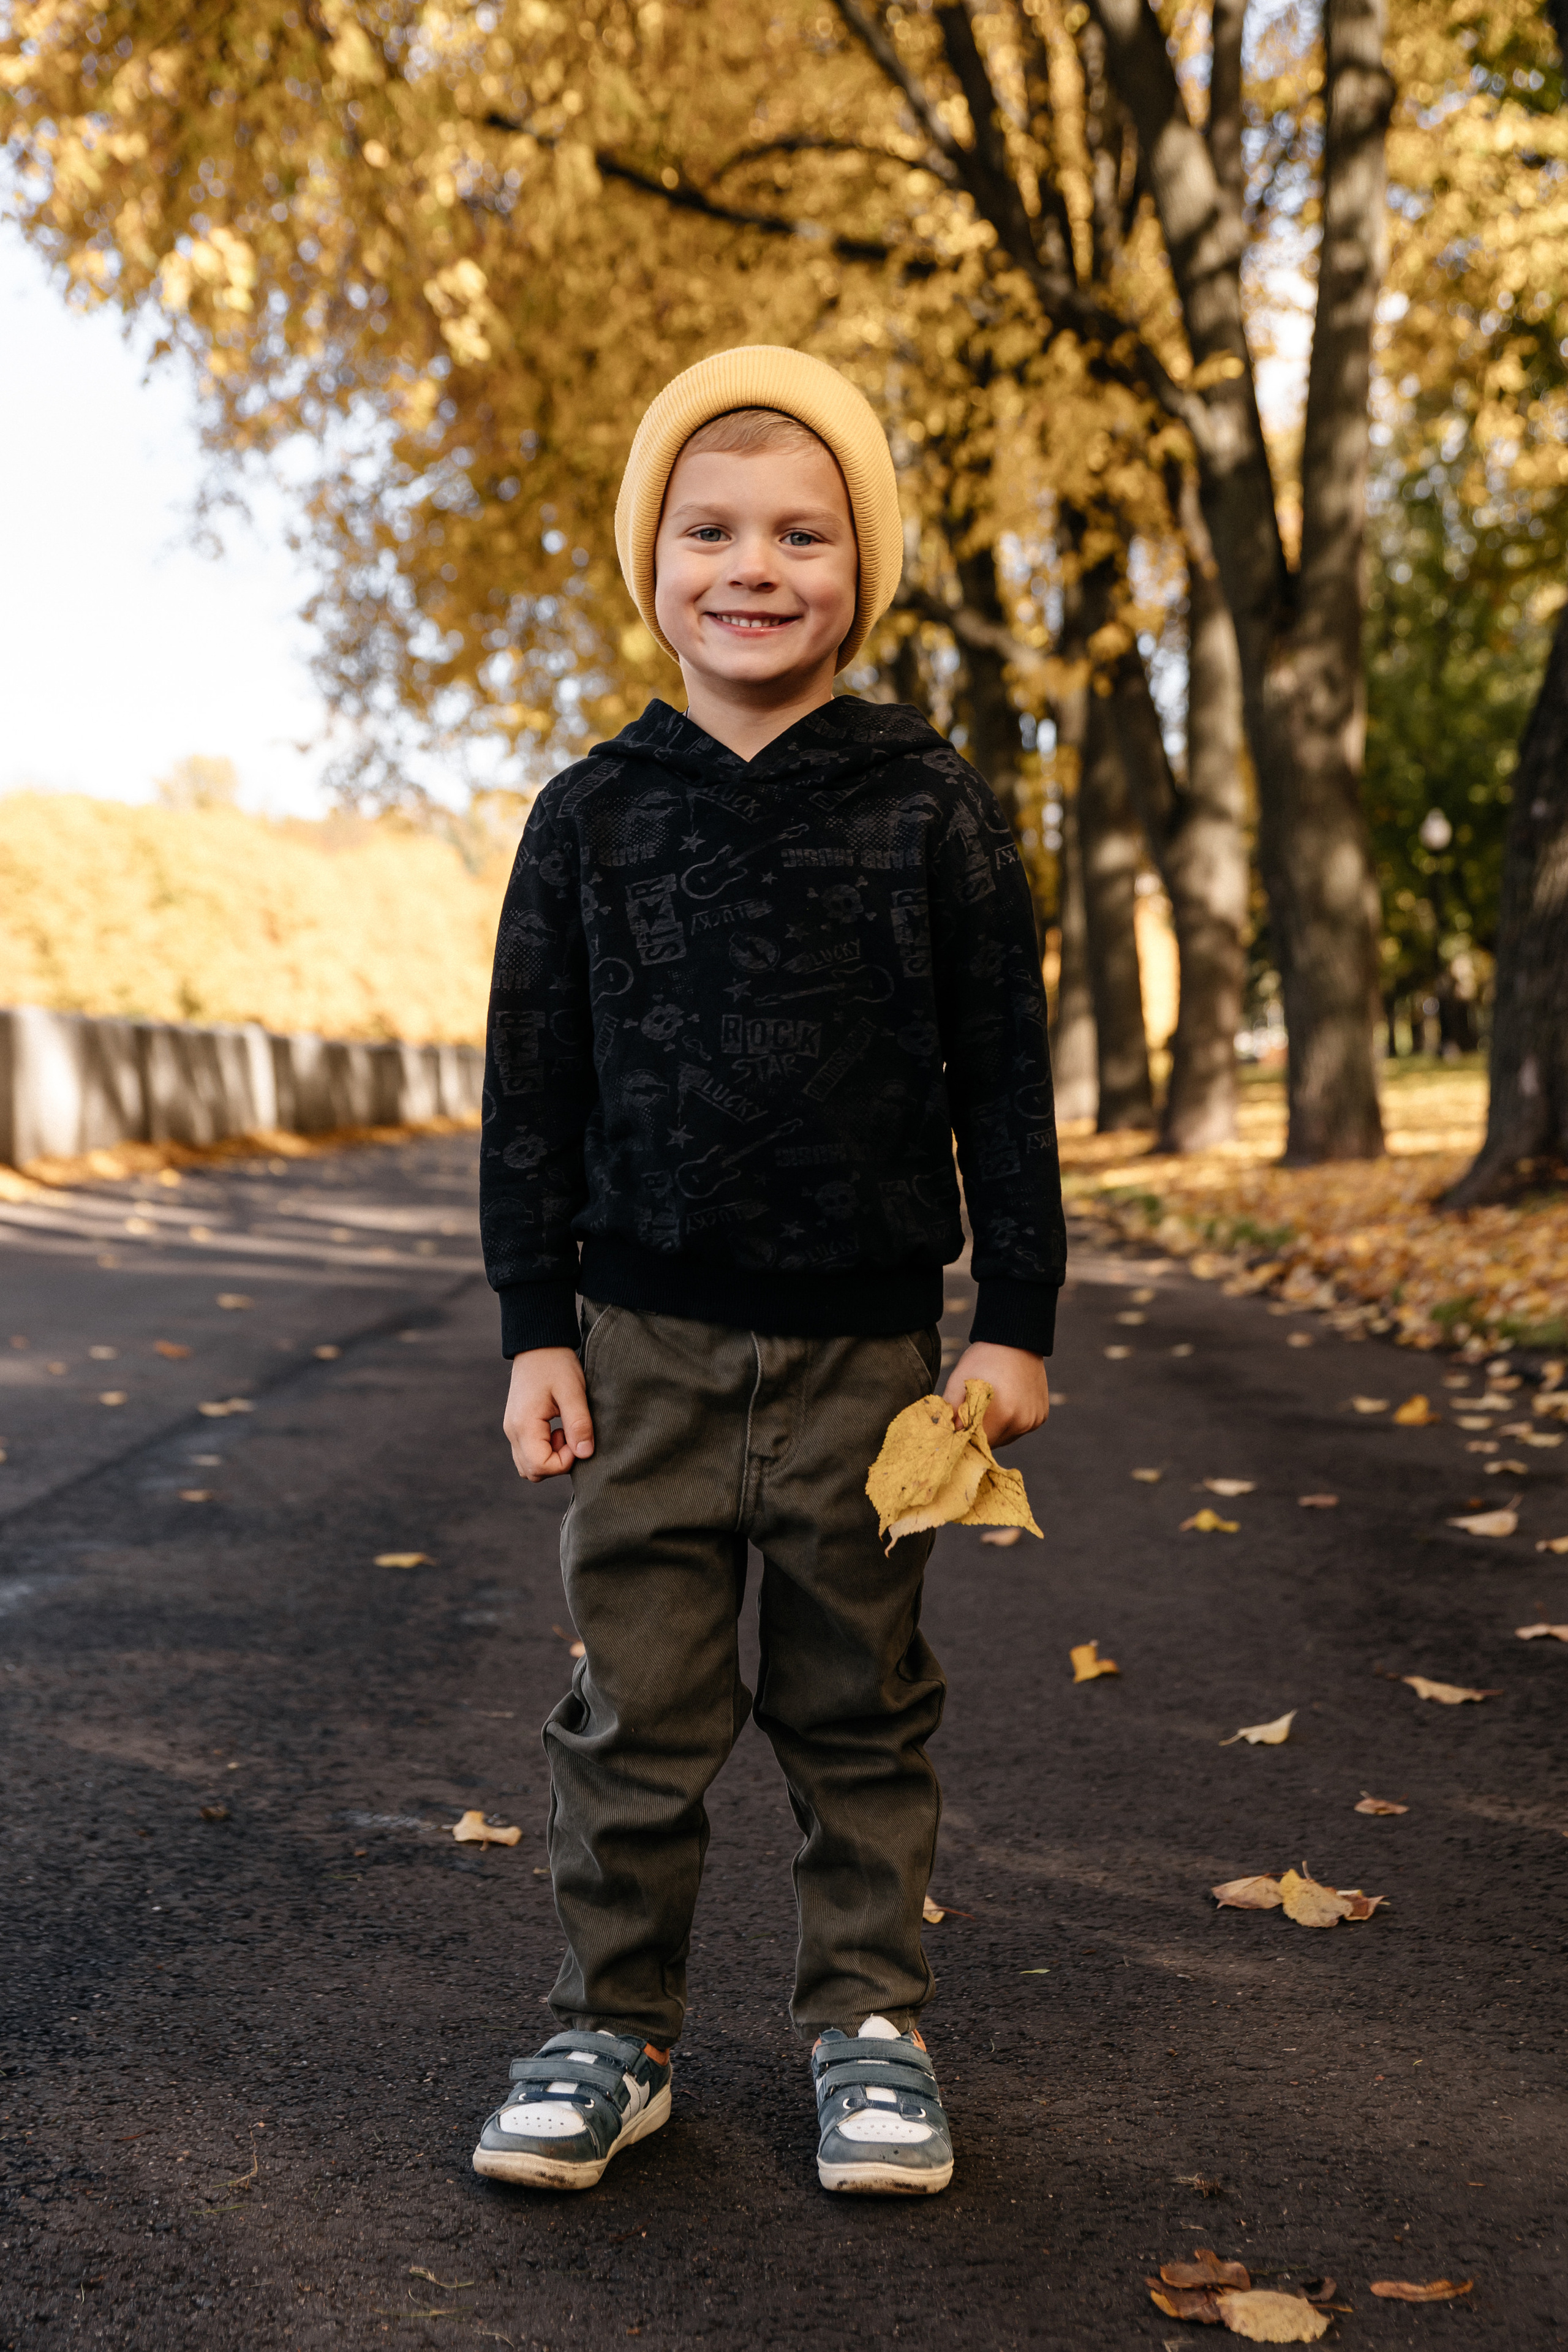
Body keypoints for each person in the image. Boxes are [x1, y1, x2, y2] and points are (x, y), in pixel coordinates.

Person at [471, 345, 1065, 2197]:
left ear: (860, 572)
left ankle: (867, 2027)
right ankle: (613, 2030)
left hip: (871, 1365)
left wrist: (1017, 1319)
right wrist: (533, 1331)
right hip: (640, 1350)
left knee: (857, 1706)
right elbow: (531, 1089)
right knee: (633, 1709)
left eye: (806, 532)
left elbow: (1005, 1078)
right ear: (650, 564)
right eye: (710, 528)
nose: (757, 564)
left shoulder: (930, 807)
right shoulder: (591, 814)